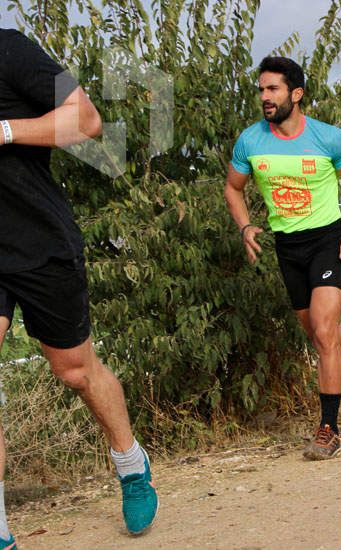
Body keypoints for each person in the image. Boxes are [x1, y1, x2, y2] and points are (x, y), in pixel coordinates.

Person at [0, 29, 158, 542]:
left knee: (75, 370)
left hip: (38, 243)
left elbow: (86, 119)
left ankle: (130, 463)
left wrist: (3, 130)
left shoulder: (10, 48)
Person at [224, 57, 341, 460]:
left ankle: (329, 429)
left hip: (328, 242)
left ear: (295, 94)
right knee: (318, 334)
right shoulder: (250, 141)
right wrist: (246, 227)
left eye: (273, 89)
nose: (264, 97)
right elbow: (233, 188)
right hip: (288, 247)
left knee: (325, 332)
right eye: (261, 89)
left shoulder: (327, 138)